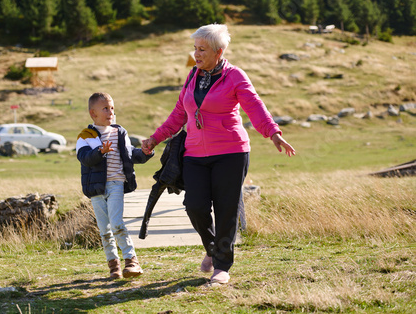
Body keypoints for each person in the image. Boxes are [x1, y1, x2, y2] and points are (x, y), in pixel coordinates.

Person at [142, 24, 295, 284]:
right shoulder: (193, 76)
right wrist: (155, 138)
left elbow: (255, 106)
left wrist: (273, 133)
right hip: (195, 154)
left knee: (226, 209)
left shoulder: (235, 76)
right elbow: (179, 113)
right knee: (195, 207)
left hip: (231, 152)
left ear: (219, 51)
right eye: (195, 49)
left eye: (202, 49)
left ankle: (222, 266)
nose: (196, 54)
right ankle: (213, 250)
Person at [77, 92, 154, 279]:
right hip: (96, 189)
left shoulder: (120, 132)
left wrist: (145, 153)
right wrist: (100, 152)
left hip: (116, 183)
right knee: (104, 230)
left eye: (112, 108)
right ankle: (114, 266)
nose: (110, 111)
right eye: (105, 108)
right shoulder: (85, 136)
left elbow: (129, 155)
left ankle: (131, 261)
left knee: (117, 223)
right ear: (93, 113)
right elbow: (85, 158)